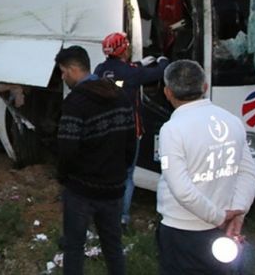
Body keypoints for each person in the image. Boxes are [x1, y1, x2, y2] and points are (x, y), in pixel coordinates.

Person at [156, 60, 255, 274]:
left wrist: (220, 217)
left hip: (183, 231)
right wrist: (237, 213)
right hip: (224, 230)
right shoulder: (231, 120)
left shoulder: (172, 130)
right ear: (205, 86)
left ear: (167, 92)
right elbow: (249, 173)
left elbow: (182, 190)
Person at [54, 45, 135, 275]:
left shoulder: (75, 102)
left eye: (63, 71)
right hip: (113, 189)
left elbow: (67, 149)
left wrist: (63, 177)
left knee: (74, 247)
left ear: (72, 69)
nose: (62, 77)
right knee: (113, 246)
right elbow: (131, 142)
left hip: (81, 191)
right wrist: (120, 172)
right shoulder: (119, 95)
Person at [93, 31, 169, 229]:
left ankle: (103, 214)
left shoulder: (100, 70)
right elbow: (158, 73)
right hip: (129, 132)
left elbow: (120, 79)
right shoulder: (132, 73)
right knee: (127, 176)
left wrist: (140, 64)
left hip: (106, 131)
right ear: (124, 49)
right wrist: (162, 60)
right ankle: (122, 218)